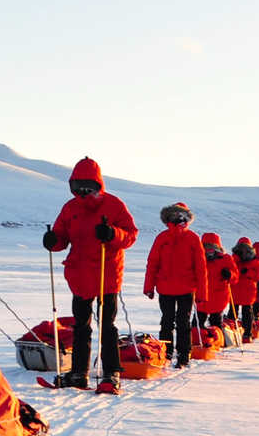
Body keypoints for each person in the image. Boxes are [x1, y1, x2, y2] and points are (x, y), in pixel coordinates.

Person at [41, 157, 137, 392]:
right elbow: (61, 238)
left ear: (98, 184)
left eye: (88, 186)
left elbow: (130, 235)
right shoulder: (70, 208)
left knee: (107, 325)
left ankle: (111, 372)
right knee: (81, 327)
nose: (83, 191)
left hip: (107, 273)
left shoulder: (114, 205)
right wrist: (52, 241)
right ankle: (78, 373)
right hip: (80, 275)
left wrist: (112, 233)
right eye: (78, 186)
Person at [142, 202, 207, 368]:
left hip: (185, 289)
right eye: (175, 216)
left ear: (186, 218)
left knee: (182, 322)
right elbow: (153, 263)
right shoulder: (162, 238)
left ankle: (183, 354)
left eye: (181, 216)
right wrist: (148, 286)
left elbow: (201, 267)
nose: (178, 219)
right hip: (166, 288)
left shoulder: (192, 238)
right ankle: (167, 351)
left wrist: (202, 293)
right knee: (167, 321)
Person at [196, 231, 235, 332]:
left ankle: (217, 341)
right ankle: (199, 340)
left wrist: (230, 274)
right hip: (203, 298)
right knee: (197, 324)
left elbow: (235, 277)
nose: (209, 250)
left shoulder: (226, 259)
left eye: (211, 246)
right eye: (206, 246)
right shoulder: (198, 259)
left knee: (215, 323)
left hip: (217, 297)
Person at [230, 236, 259, 341]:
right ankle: (232, 334)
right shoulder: (234, 259)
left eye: (245, 249)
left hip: (247, 292)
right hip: (235, 290)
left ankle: (247, 333)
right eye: (241, 249)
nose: (243, 251)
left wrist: (248, 273)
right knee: (233, 313)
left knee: (247, 314)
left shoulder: (255, 262)